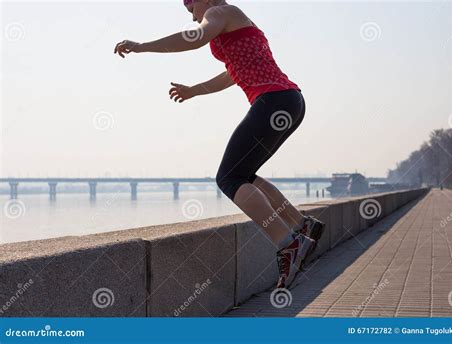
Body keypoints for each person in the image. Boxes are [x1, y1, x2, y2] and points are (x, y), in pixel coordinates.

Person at [114, 0, 325, 290]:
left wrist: (141, 46)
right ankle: (301, 225)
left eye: (190, 7)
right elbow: (232, 74)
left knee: (229, 177)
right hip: (290, 101)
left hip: (273, 100)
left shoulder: (219, 12)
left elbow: (195, 39)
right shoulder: (236, 23)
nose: (191, 15)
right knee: (244, 175)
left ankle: (290, 244)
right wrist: (194, 91)